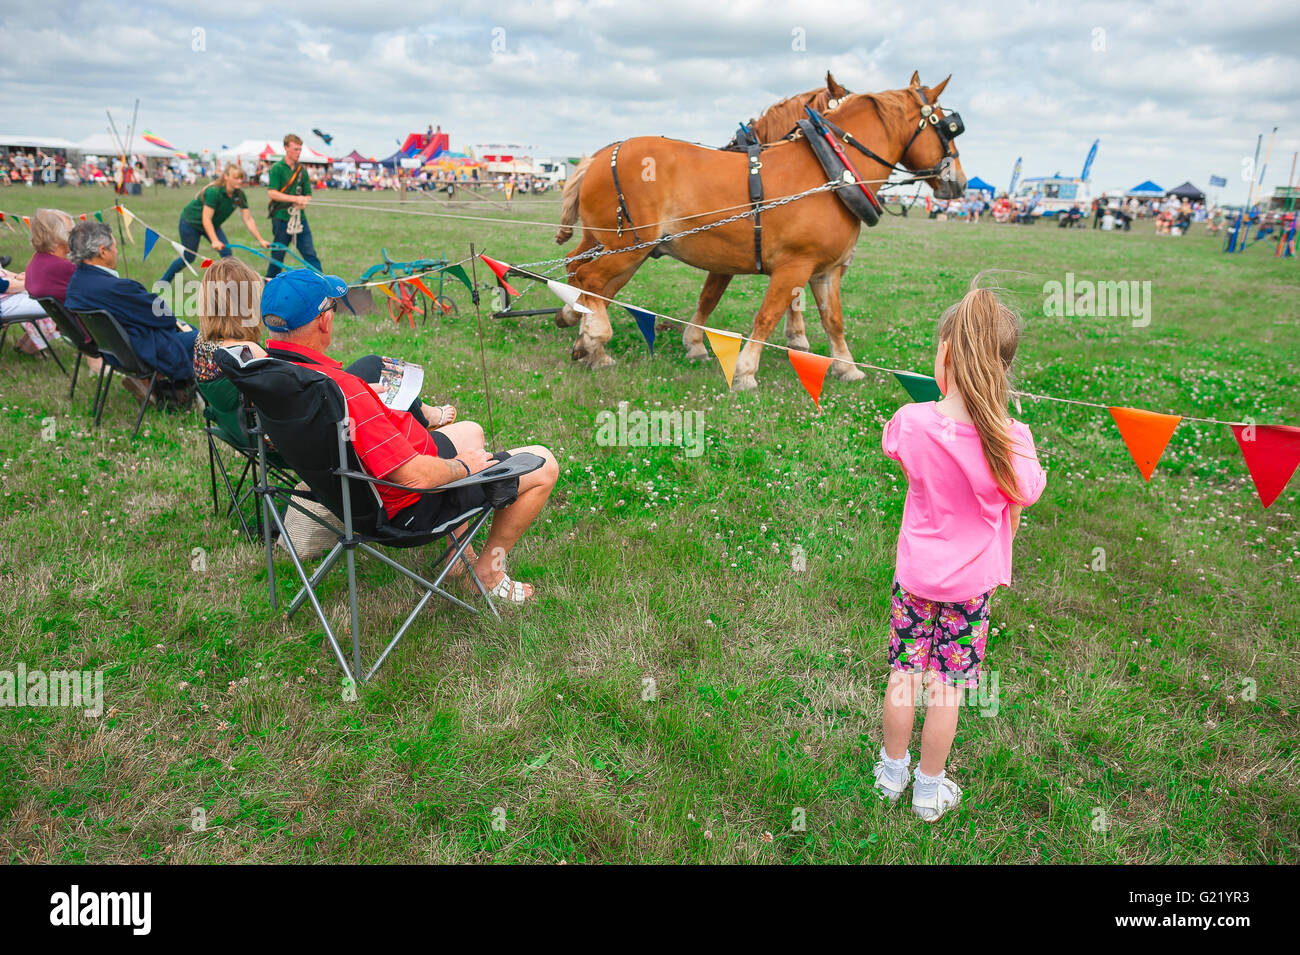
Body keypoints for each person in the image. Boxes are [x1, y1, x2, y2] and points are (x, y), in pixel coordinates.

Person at [258, 270, 558, 603]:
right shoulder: (344, 393)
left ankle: (457, 558)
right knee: (544, 464)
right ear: (325, 321)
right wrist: (463, 467)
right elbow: (414, 477)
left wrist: (366, 399)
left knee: (472, 432)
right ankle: (488, 573)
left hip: (351, 496)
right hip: (405, 510)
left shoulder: (275, 375)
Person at [872, 279, 1047, 822]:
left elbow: (902, 458)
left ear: (944, 354)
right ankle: (928, 790)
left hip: (916, 578)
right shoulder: (1014, 438)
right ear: (1003, 369)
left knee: (903, 675)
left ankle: (890, 774)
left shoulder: (911, 423)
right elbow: (1024, 497)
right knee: (945, 689)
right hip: (972, 587)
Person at [64, 221, 197, 406]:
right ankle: (206, 394)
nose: (117, 251)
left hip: (117, 352)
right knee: (209, 338)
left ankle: (177, 390)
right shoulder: (118, 288)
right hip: (144, 351)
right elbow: (164, 316)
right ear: (103, 251)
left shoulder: (76, 284)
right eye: (115, 247)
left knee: (190, 329)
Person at [160, 164, 270, 285]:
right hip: (190, 224)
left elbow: (248, 219)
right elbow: (206, 218)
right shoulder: (214, 192)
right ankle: (163, 283)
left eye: (241, 178)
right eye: (236, 178)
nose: (240, 181)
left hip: (212, 224)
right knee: (188, 257)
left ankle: (227, 288)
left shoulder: (239, 195)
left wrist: (261, 240)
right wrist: (214, 240)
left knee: (227, 256)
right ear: (226, 177)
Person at [14, 208, 78, 357]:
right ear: (57, 237)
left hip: (69, 327)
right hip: (89, 330)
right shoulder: (65, 268)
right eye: (71, 233)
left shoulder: (36, 261)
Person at [264, 134, 321, 278]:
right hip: (281, 218)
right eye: (295, 149)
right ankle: (268, 286)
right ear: (286, 148)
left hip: (299, 219)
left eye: (300, 149)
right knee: (277, 256)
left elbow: (308, 193)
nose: (298, 152)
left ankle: (323, 285)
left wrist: (304, 201)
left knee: (310, 255)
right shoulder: (277, 168)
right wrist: (295, 199)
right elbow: (272, 193)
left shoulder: (302, 170)